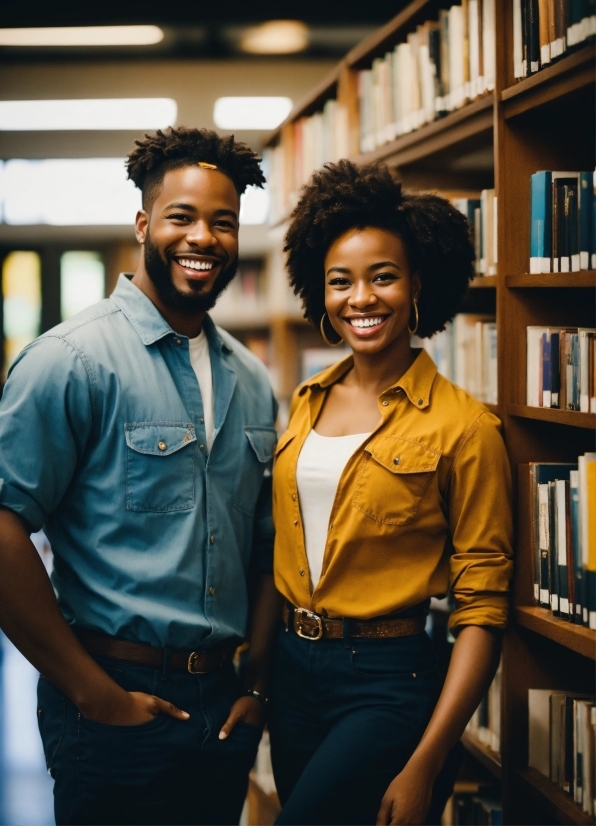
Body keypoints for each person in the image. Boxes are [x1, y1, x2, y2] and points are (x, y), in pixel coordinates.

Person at [0, 127, 281, 826]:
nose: (204, 238)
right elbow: (4, 529)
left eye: (223, 222)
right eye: (182, 217)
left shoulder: (252, 379)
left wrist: (257, 686)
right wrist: (95, 696)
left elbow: (267, 544)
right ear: (144, 224)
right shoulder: (71, 361)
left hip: (222, 707)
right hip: (112, 699)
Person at [269, 160, 513, 826]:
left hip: (387, 679)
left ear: (415, 286)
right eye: (340, 282)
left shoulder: (465, 427)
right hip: (291, 673)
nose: (361, 299)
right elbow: (280, 549)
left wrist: (429, 758)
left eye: (383, 277)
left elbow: (482, 608)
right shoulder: (305, 401)